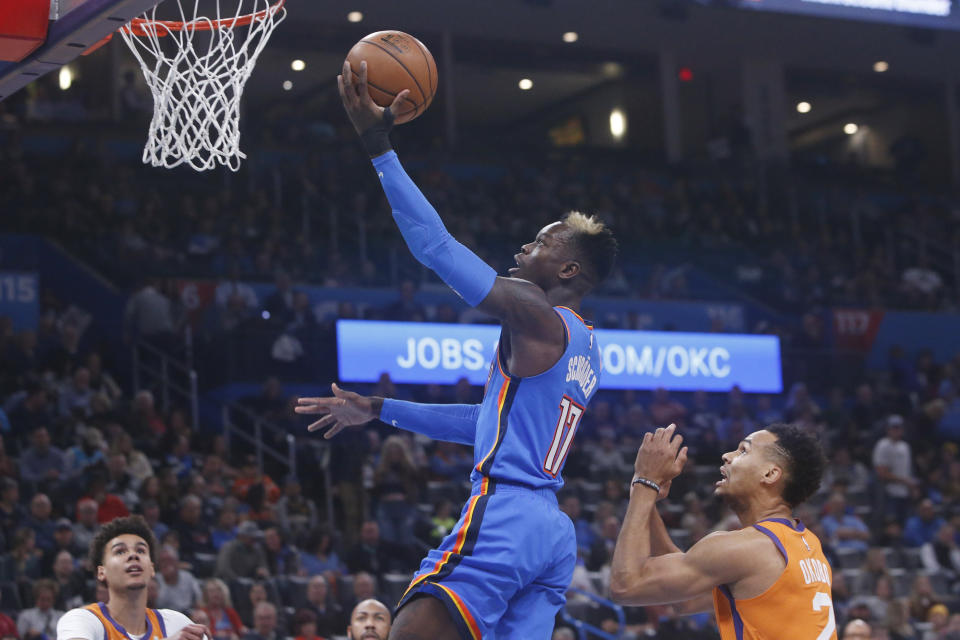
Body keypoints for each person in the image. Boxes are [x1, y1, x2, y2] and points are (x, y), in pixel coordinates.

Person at [295, 59, 618, 640]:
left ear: (568, 267)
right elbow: (484, 421)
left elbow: (435, 247)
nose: (526, 245)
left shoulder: (537, 316)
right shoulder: (585, 343)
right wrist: (379, 409)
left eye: (542, 242)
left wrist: (378, 146)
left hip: (507, 514)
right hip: (552, 532)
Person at [609, 423, 836, 640]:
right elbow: (686, 600)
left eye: (743, 451)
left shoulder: (750, 548)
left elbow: (626, 585)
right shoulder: (807, 543)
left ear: (769, 474)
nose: (727, 455)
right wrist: (645, 499)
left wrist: (645, 482)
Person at [55, 515, 210, 640]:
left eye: (141, 551)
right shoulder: (82, 619)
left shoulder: (177, 623)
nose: (133, 555)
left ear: (151, 569)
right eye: (120, 551)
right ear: (101, 572)